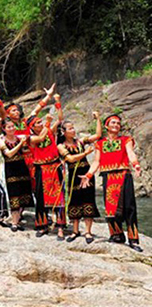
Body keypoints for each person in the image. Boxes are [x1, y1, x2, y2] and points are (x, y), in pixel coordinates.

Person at [82, 114, 143, 252]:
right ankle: (116, 235)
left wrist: (136, 164)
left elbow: (130, 152)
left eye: (118, 123)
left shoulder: (126, 140)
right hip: (108, 177)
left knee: (129, 207)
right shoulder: (100, 143)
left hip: (123, 175)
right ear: (106, 126)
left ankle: (133, 240)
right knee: (110, 209)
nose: (116, 125)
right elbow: (97, 161)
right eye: (113, 123)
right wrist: (89, 174)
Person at [0, 83, 56, 190]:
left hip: (32, 153)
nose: (17, 112)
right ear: (8, 114)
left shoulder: (25, 122)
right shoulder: (8, 125)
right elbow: (2, 112)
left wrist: (48, 96)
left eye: (17, 110)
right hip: (19, 155)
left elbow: (37, 109)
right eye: (13, 110)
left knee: (38, 180)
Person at [57, 112, 101, 243]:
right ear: (63, 132)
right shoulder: (61, 146)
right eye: (70, 128)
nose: (73, 130)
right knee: (74, 201)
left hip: (86, 174)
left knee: (88, 200)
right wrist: (85, 153)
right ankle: (75, 231)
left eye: (73, 127)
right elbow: (70, 159)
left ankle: (88, 231)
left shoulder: (80, 141)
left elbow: (97, 135)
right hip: (74, 176)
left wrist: (98, 119)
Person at [27, 94, 66, 240]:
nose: (41, 123)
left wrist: (57, 102)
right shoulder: (30, 138)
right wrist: (48, 124)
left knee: (59, 197)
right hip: (41, 169)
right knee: (41, 198)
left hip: (54, 166)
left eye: (40, 121)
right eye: (37, 123)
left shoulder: (49, 130)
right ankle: (42, 226)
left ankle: (61, 227)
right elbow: (41, 139)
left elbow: (60, 119)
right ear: (32, 127)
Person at [0, 119, 34, 231]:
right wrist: (21, 144)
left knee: (24, 194)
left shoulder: (19, 137)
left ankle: (17, 220)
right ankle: (14, 222)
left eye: (13, 126)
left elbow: (33, 136)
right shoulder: (1, 140)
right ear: (4, 129)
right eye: (9, 127)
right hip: (11, 170)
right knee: (14, 195)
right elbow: (9, 154)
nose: (12, 129)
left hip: (22, 169)